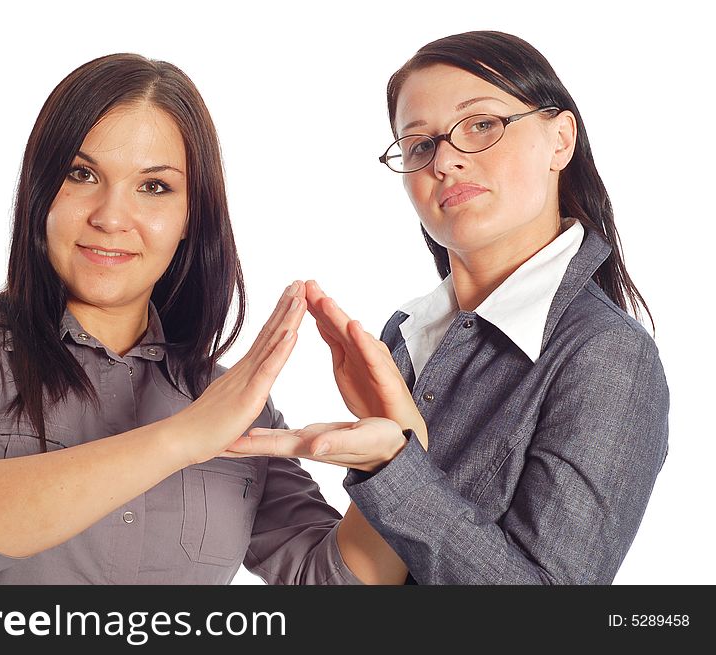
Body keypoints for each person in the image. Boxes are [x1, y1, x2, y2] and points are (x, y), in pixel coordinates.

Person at [0, 53, 405, 585]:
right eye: (81, 174)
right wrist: (181, 439)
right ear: (40, 194)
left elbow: (334, 585)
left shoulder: (231, 405)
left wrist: (399, 462)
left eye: (154, 186)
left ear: (189, 218)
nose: (110, 216)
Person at [228, 31, 669, 584]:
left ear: (560, 140)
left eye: (482, 124)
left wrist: (393, 469)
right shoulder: (406, 335)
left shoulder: (607, 355)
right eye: (419, 145)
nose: (446, 161)